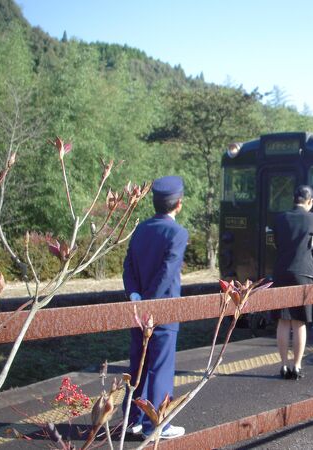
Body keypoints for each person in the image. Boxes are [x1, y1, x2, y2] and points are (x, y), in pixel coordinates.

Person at [122, 175, 189, 440]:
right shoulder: (178, 233)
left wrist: (136, 295)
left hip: (138, 308)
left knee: (138, 364)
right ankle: (156, 424)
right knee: (161, 366)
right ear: (179, 204)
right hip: (163, 310)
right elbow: (167, 272)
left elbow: (128, 266)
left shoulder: (141, 229)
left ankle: (133, 420)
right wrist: (151, 302)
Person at [272, 185, 313, 380]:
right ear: (309, 201)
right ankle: (297, 365)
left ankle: (284, 365)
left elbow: (277, 243)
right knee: (299, 321)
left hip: (282, 271)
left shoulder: (280, 218)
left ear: (294, 200)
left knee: (283, 320)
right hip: (303, 272)